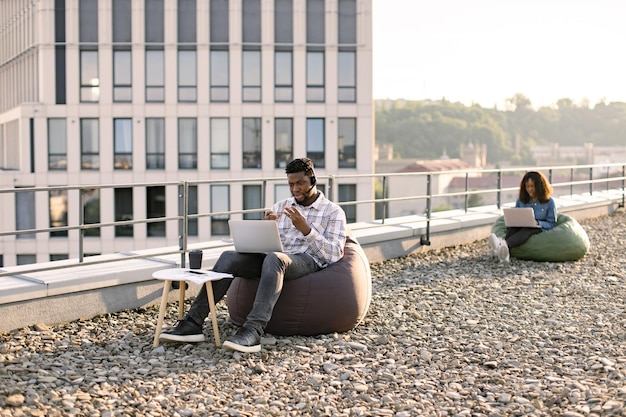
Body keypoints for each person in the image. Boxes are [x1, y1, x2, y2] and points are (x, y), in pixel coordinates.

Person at [159, 158, 348, 352]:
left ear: (313, 180)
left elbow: (334, 254)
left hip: (306, 259)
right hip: (273, 257)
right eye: (291, 184)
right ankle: (193, 322)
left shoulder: (333, 212)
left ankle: (253, 330)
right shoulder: (282, 206)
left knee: (275, 259)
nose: (295, 189)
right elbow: (269, 243)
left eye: (300, 183)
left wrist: (307, 230)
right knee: (228, 257)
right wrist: (264, 227)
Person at [489, 171, 557, 263]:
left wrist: (538, 223)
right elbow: (517, 214)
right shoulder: (521, 200)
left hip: (539, 227)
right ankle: (504, 252)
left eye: (533, 186)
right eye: (527, 186)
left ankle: (502, 244)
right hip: (521, 225)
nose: (530, 189)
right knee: (514, 228)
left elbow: (552, 223)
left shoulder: (549, 202)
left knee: (528, 229)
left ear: (540, 187)